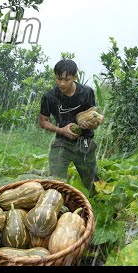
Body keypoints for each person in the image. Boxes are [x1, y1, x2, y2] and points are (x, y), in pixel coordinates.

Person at [39, 58, 100, 197]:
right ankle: (59, 209)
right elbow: (43, 121)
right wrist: (61, 130)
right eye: (59, 78)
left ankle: (103, 208)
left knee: (91, 183)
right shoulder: (49, 97)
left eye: (67, 79)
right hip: (62, 143)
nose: (62, 83)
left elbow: (93, 116)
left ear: (75, 77)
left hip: (84, 142)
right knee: (56, 182)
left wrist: (88, 124)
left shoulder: (86, 92)